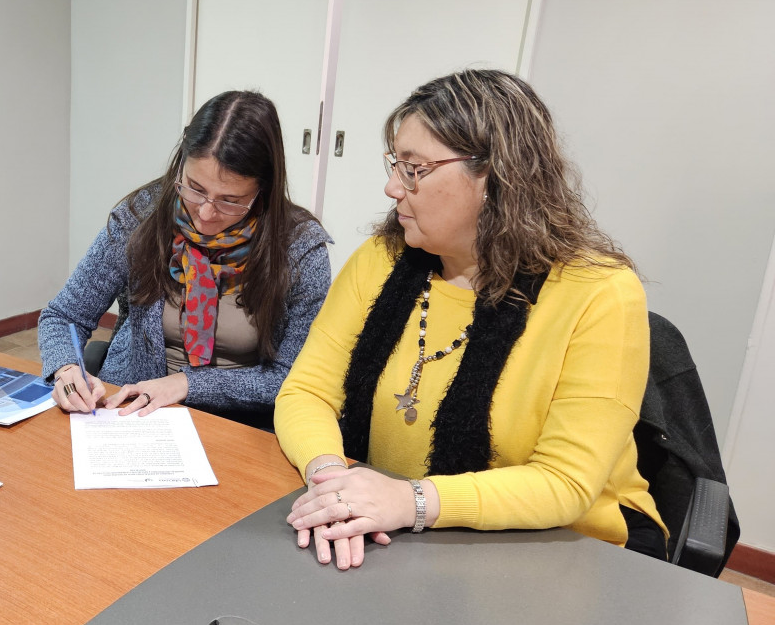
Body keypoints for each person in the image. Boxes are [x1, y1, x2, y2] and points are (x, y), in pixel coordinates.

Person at [276, 69, 665, 569]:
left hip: (562, 551)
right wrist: (332, 485)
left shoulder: (600, 294)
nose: (393, 186)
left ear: (497, 177)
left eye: (414, 168)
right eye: (396, 164)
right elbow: (307, 392)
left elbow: (565, 483)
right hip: (401, 538)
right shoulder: (381, 258)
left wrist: (410, 501)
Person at [38, 90, 331, 428]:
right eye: (194, 188)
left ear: (263, 189)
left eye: (230, 200)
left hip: (241, 427)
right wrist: (67, 370)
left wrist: (186, 384)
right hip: (133, 413)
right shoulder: (141, 218)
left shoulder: (299, 249)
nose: (205, 213)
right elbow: (63, 315)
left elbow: (292, 377)